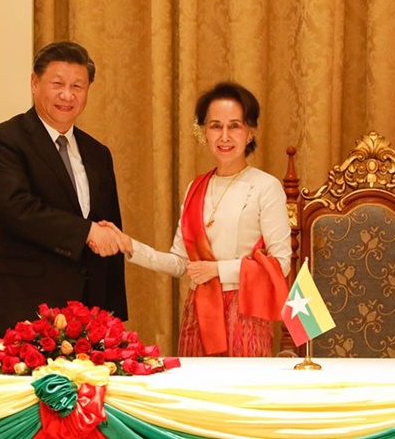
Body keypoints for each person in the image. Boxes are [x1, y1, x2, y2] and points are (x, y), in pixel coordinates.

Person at [103, 81, 291, 357]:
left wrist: (217, 270)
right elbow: (180, 263)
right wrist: (129, 245)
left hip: (245, 313)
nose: (224, 136)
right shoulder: (196, 187)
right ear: (204, 132)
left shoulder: (266, 186)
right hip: (199, 311)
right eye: (215, 126)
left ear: (250, 133)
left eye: (234, 126)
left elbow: (281, 263)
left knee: (240, 385)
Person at [0, 41, 127, 351]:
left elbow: (108, 229)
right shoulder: (5, 140)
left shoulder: (98, 153)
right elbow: (16, 210)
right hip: (24, 312)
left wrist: (112, 316)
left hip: (88, 321)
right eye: (57, 84)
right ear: (34, 83)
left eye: (77, 86)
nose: (67, 95)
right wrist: (86, 231)